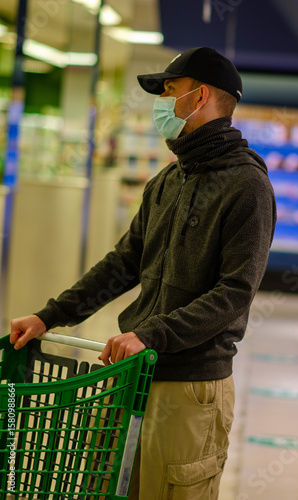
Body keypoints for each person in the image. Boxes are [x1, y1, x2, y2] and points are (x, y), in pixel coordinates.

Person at [10, 47, 276, 499]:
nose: (160, 103)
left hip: (189, 386)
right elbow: (124, 263)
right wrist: (49, 316)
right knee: (106, 489)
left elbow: (234, 292)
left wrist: (152, 334)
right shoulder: (168, 181)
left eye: (169, 91)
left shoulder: (247, 186)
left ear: (200, 96)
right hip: (129, 374)